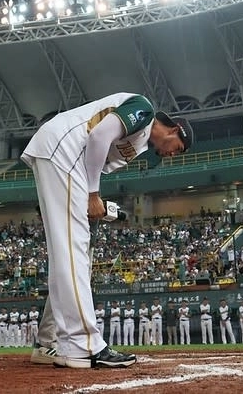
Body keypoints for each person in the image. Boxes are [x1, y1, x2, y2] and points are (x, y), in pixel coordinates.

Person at [24, 93, 193, 368]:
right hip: (65, 154)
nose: (174, 154)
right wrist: (92, 195)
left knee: (70, 256)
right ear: (174, 129)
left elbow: (98, 156)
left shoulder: (138, 143)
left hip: (63, 157)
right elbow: (98, 137)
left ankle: (46, 343)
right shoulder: (144, 110)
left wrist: (95, 203)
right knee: (73, 253)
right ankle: (83, 346)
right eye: (179, 146)